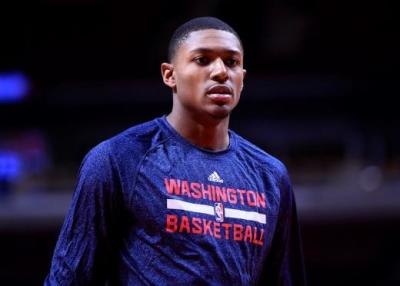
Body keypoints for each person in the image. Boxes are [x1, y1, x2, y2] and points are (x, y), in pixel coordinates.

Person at [44, 16, 306, 285]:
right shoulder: (118, 160)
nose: (220, 72)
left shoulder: (271, 175)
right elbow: (68, 278)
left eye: (232, 62)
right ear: (169, 75)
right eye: (202, 60)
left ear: (243, 79)